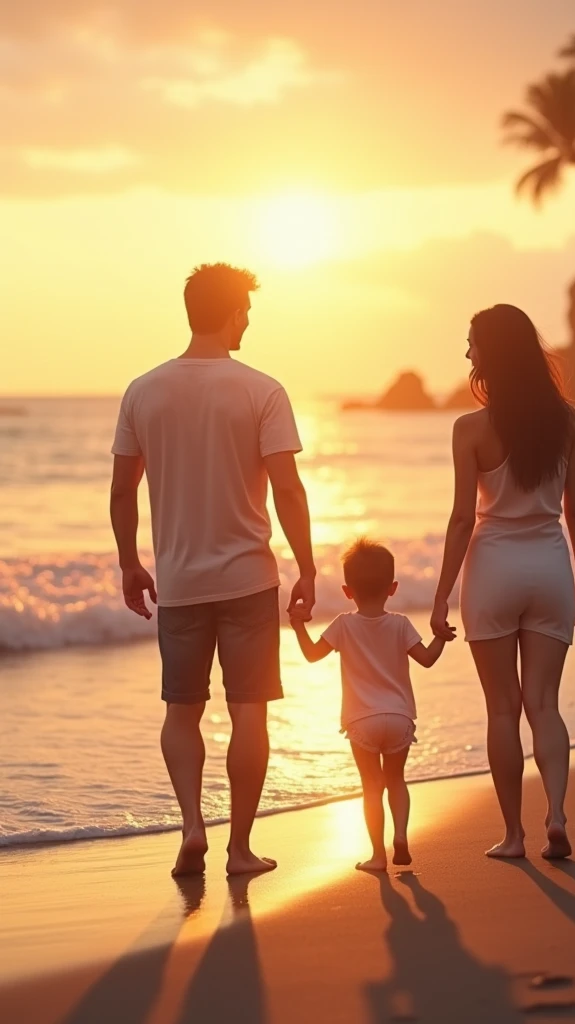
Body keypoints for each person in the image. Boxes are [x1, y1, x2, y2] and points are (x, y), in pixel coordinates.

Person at [110, 263, 316, 878]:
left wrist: (129, 563)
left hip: (179, 583)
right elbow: (289, 489)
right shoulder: (261, 390)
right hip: (250, 578)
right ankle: (240, 848)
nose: (249, 320)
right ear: (230, 312)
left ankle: (192, 826)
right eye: (246, 310)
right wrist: (306, 567)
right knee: (250, 709)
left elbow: (123, 491)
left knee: (182, 708)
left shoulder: (142, 391)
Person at [430, 304, 575, 861]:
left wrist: (441, 596)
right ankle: (558, 813)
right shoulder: (565, 420)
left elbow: (459, 519)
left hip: (493, 568)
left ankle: (514, 836)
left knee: (502, 708)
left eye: (472, 342)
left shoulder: (469, 429)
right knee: (544, 704)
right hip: (549, 565)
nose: (467, 351)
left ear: (492, 353)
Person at [290, 538, 451, 872]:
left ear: (348, 591)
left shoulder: (343, 625)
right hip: (399, 718)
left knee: (371, 787)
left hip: (361, 720)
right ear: (393, 588)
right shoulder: (401, 624)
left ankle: (378, 855)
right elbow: (428, 660)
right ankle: (402, 836)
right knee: (396, 780)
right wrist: (441, 636)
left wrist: (297, 627)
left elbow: (311, 655)